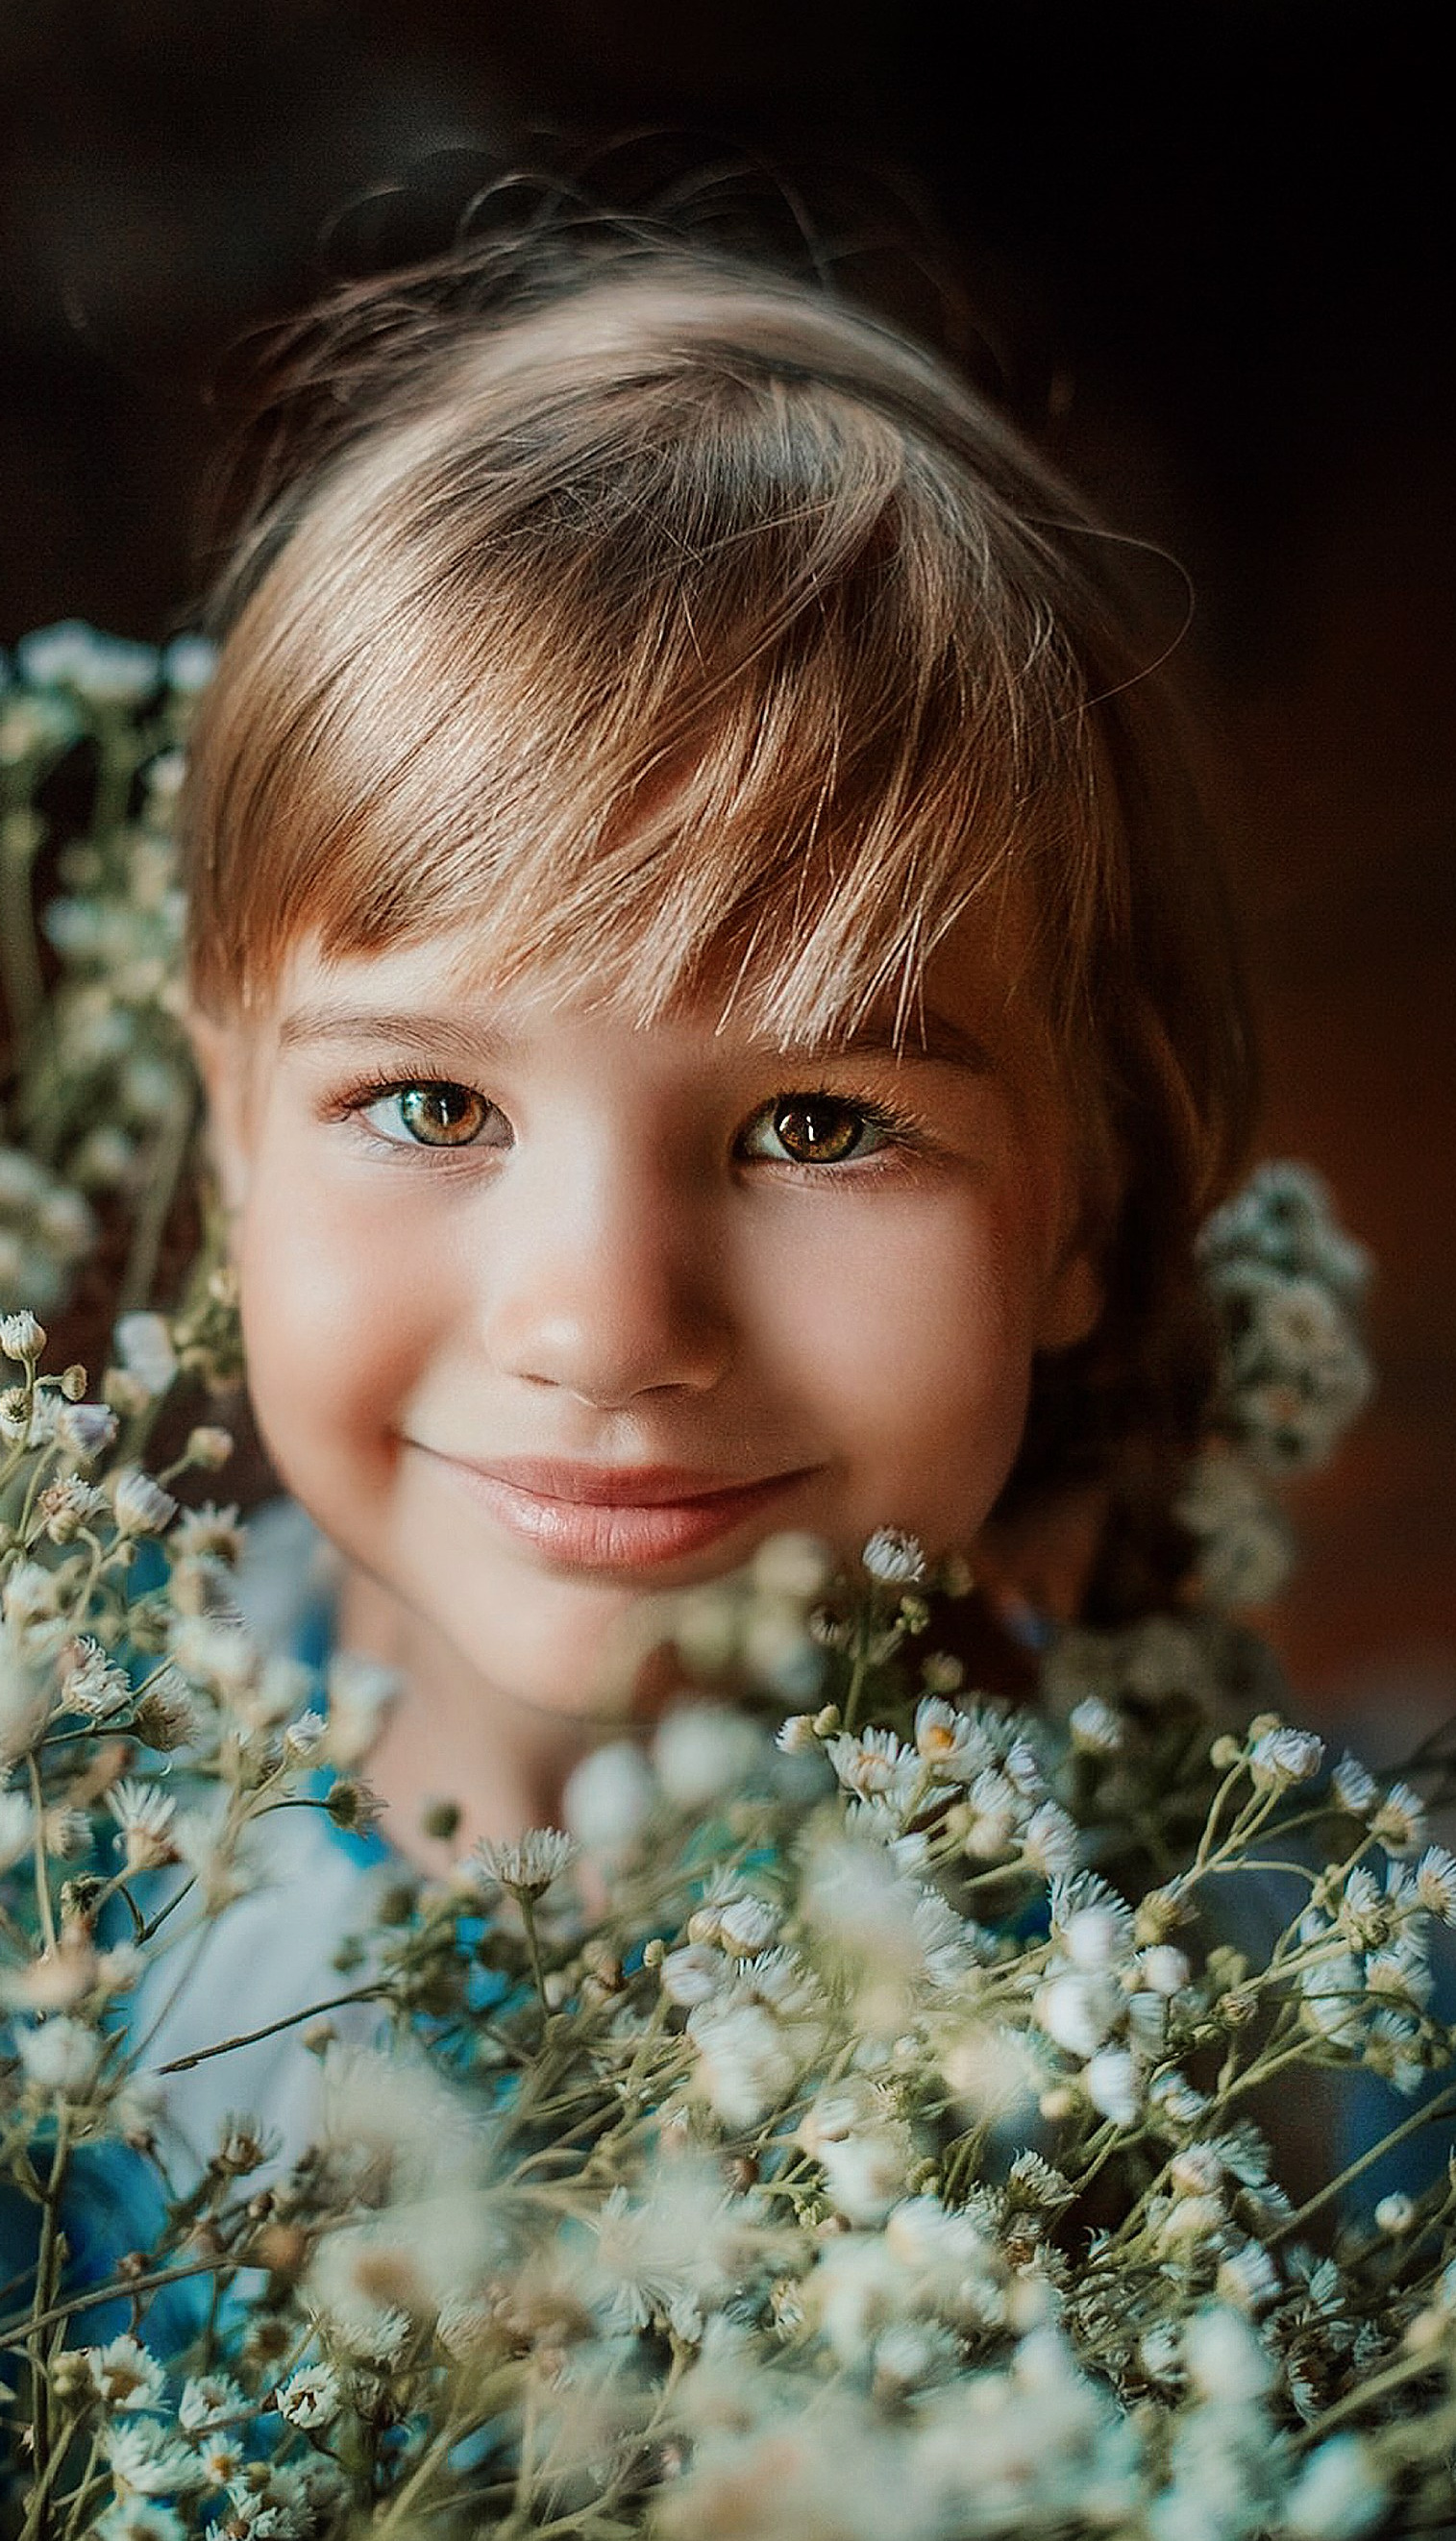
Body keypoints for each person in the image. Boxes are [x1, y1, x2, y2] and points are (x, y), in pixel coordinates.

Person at [127, 217, 1257, 2179]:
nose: (600, 1322)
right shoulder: (39, 1865)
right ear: (229, 1116)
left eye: (817, 1123)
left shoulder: (1151, 1984)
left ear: (1085, 1199)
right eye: (422, 1099)